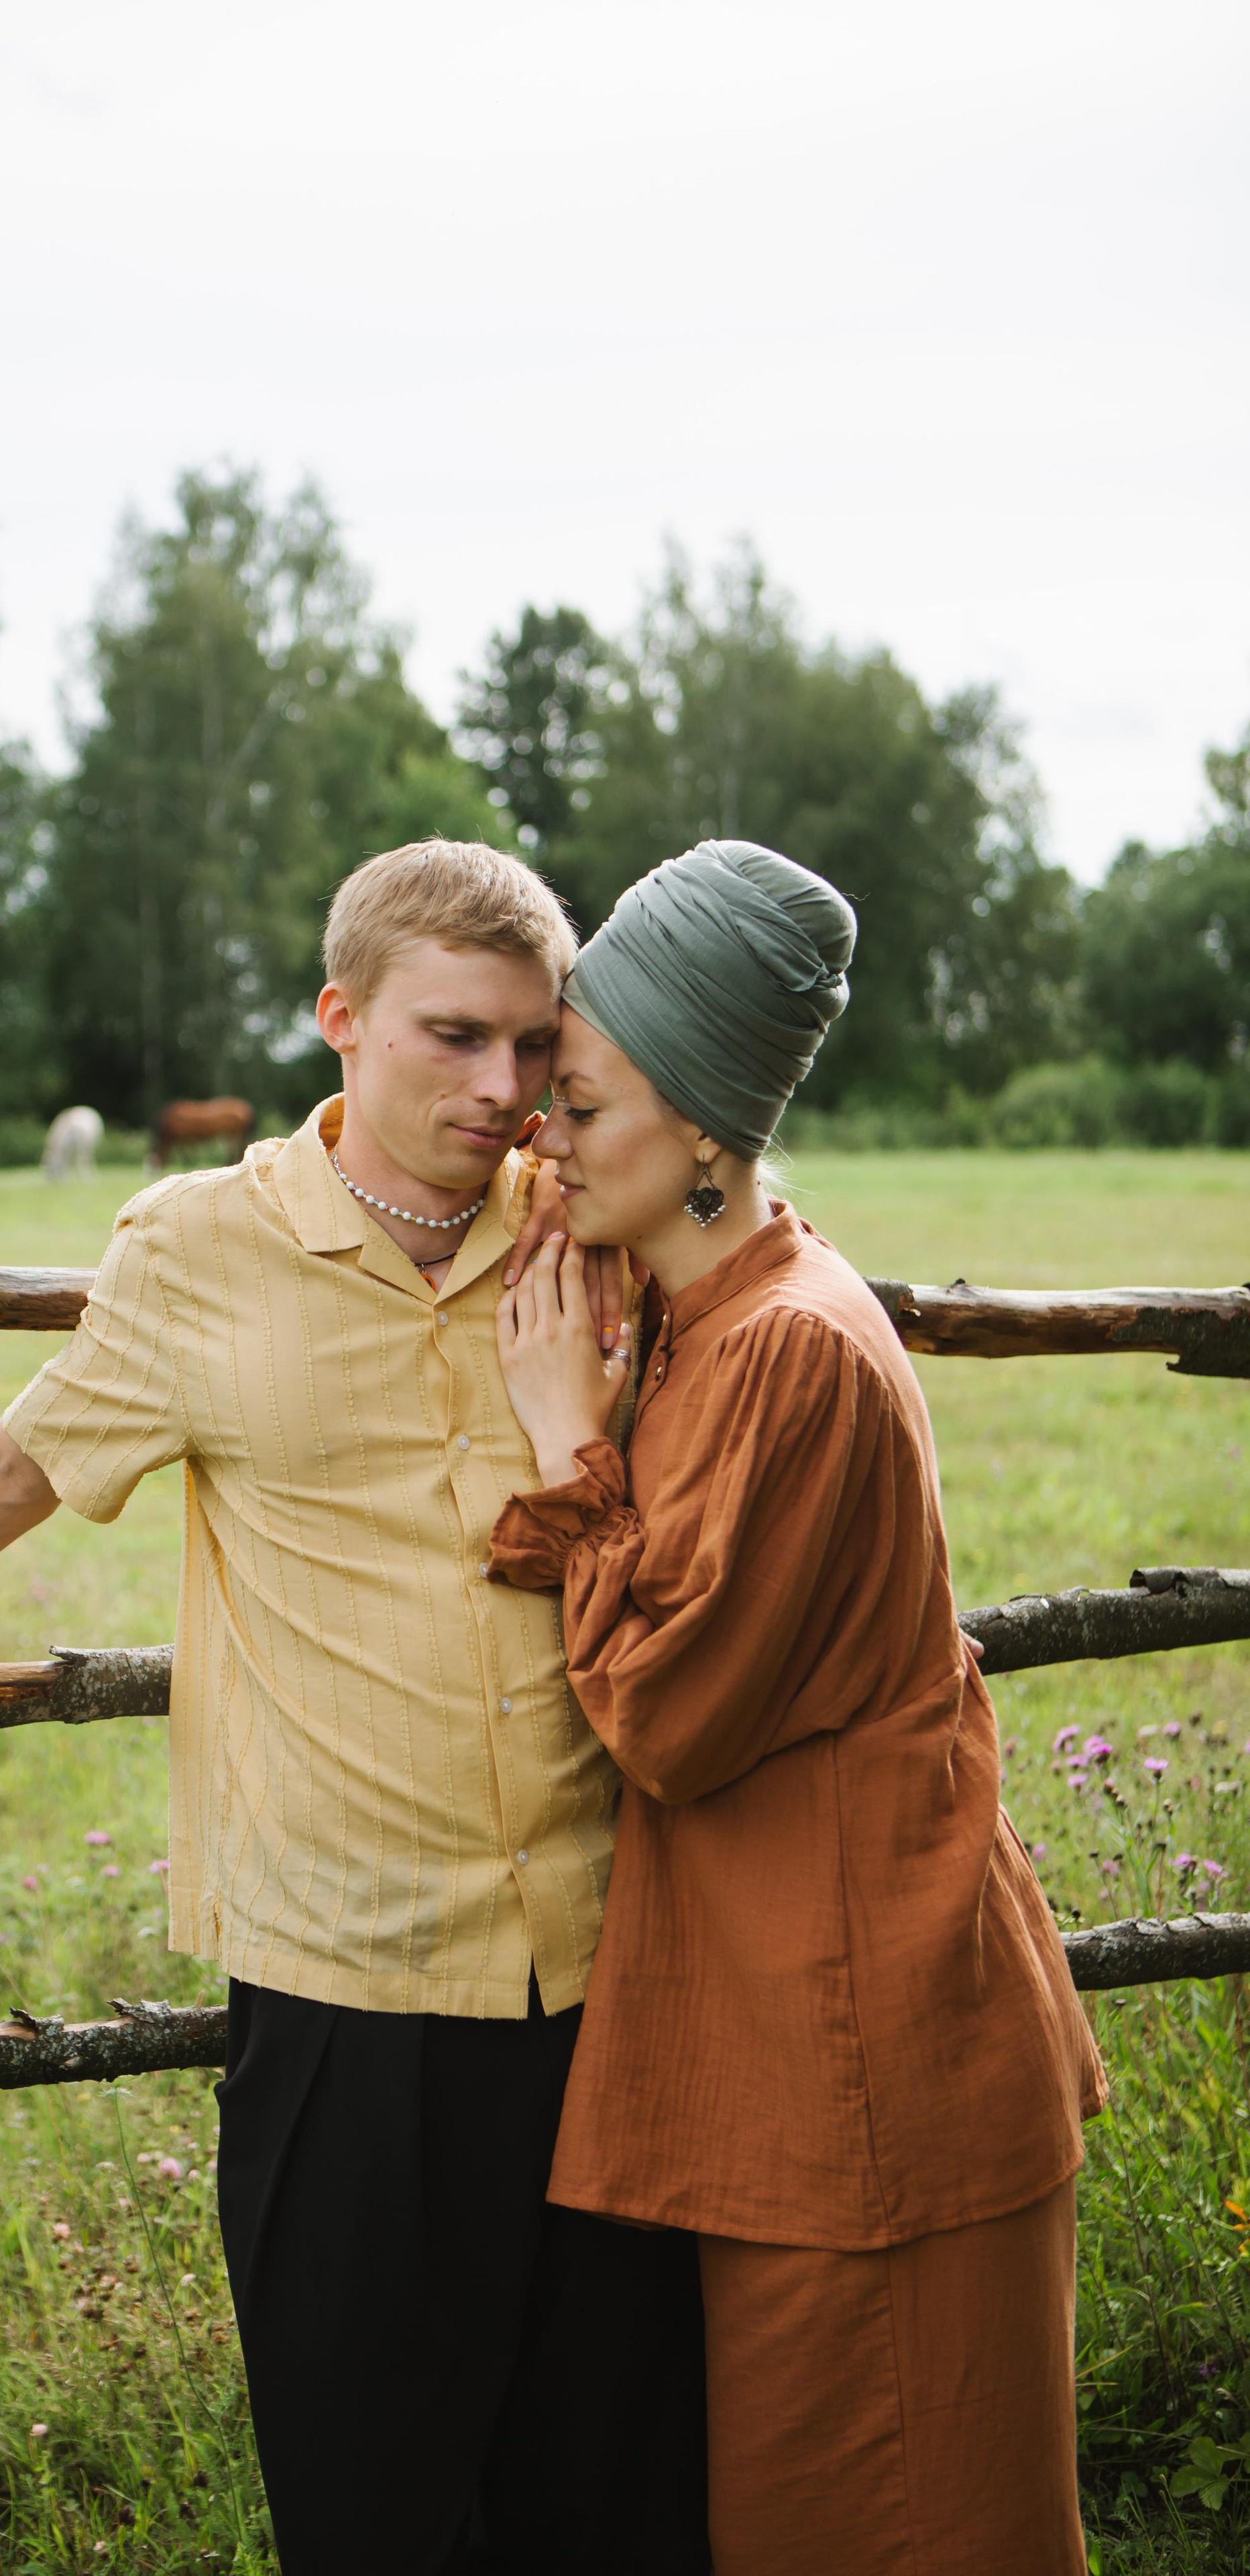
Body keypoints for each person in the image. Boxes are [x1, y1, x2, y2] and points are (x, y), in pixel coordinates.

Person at [0, 840, 707, 2576]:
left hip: (618, 1971)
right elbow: (11, 1475)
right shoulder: (198, 1250)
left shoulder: (589, 1223)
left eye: (537, 1047)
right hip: (352, 1987)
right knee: (379, 2512)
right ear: (340, 1019)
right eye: (456, 1039)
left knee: (614, 2500)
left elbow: (762, 1276)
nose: (506, 1088)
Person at [488, 839, 1106, 2576]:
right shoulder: (699, 1304)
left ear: (702, 1129)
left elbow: (666, 1716)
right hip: (801, 2051)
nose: (546, 1138)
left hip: (873, 2062)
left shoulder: (793, 1352)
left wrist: (564, 1443)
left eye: (582, 1105)